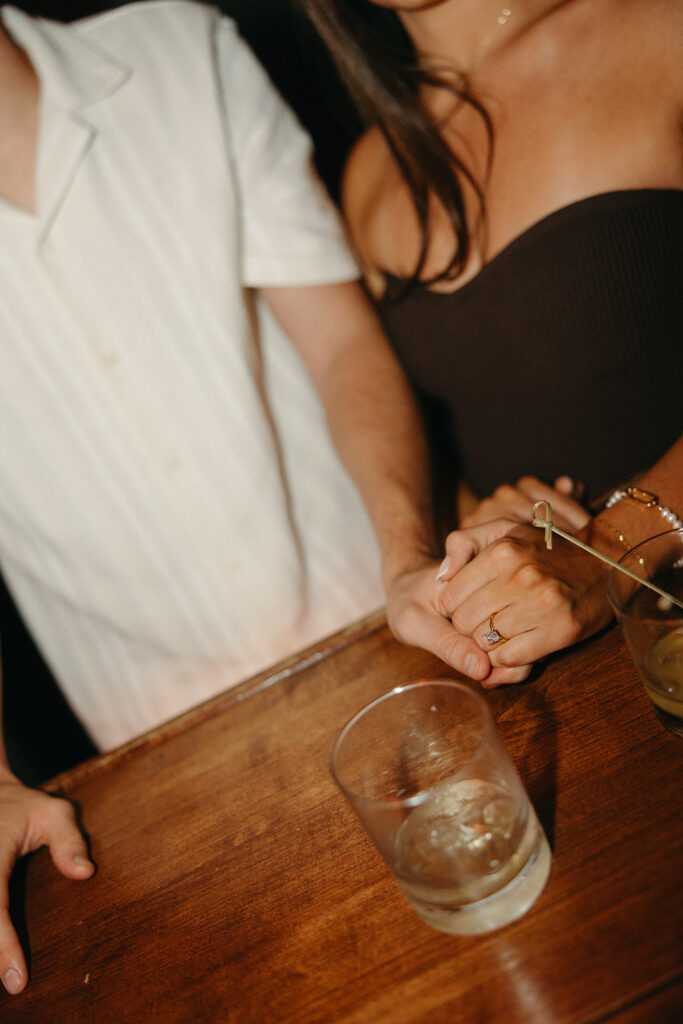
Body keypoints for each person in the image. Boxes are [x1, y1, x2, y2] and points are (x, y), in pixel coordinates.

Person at [0, 0, 476, 995]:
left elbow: (342, 341)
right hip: (164, 798)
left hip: (399, 648)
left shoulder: (180, 49)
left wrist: (404, 557)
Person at [302, 0, 683, 682]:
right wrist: (476, 539)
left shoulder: (659, 33)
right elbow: (447, 433)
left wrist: (606, 547)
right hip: (575, 686)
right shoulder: (368, 171)